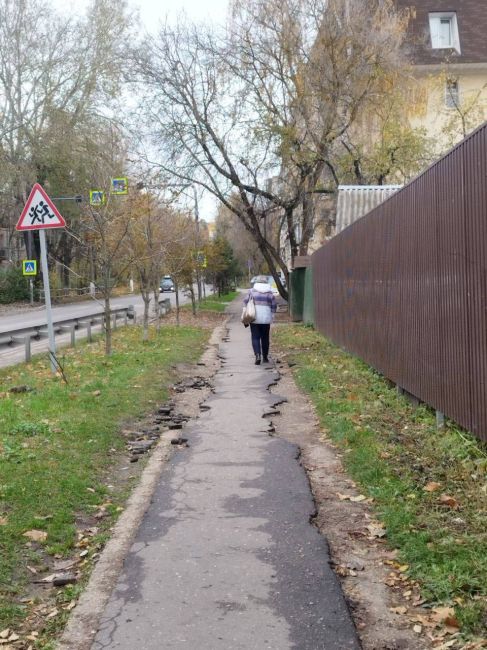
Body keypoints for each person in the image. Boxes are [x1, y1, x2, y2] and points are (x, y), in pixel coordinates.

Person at [243, 275, 277, 365]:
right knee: (265, 338)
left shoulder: (251, 292)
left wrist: (245, 313)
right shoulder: (270, 294)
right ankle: (265, 357)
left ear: (256, 283)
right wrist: (272, 316)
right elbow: (274, 306)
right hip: (266, 320)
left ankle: (257, 355)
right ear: (266, 283)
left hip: (254, 318)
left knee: (255, 337)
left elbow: (245, 302)